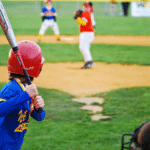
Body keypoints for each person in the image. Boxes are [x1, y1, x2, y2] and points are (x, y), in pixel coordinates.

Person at [0, 40, 46, 149]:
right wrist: (25, 95)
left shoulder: (26, 87)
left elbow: (39, 117)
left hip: (14, 144)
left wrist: (38, 108)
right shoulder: (11, 88)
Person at [74, 1, 95, 69]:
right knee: (85, 48)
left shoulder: (86, 13)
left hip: (87, 33)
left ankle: (89, 61)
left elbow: (83, 23)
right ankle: (88, 62)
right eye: (84, 6)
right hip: (87, 33)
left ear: (90, 8)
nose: (85, 7)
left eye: (87, 6)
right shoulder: (85, 13)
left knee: (82, 47)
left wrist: (78, 18)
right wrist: (79, 17)